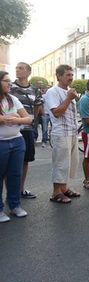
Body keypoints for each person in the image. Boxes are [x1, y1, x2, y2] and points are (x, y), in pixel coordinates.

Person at [45, 65, 80, 203]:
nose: (71, 78)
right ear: (58, 76)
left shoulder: (69, 92)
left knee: (70, 163)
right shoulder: (52, 92)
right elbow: (57, 113)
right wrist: (69, 98)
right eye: (67, 75)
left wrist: (70, 96)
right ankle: (56, 193)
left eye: (72, 75)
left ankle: (64, 189)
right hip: (60, 133)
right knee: (60, 163)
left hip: (72, 132)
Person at [0, 71, 32, 222]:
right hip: (1, 143)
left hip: (17, 141)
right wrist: (14, 118)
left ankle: (15, 205)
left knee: (15, 174)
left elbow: (28, 119)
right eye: (6, 81)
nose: (10, 84)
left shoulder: (12, 99)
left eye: (9, 81)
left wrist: (17, 119)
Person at [10, 62, 43, 199]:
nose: (17, 70)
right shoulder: (9, 87)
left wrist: (33, 121)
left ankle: (21, 190)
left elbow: (38, 108)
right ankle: (11, 192)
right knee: (10, 161)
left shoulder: (35, 90)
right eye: (16, 68)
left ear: (28, 72)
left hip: (28, 129)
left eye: (21, 68)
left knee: (25, 160)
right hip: (12, 129)